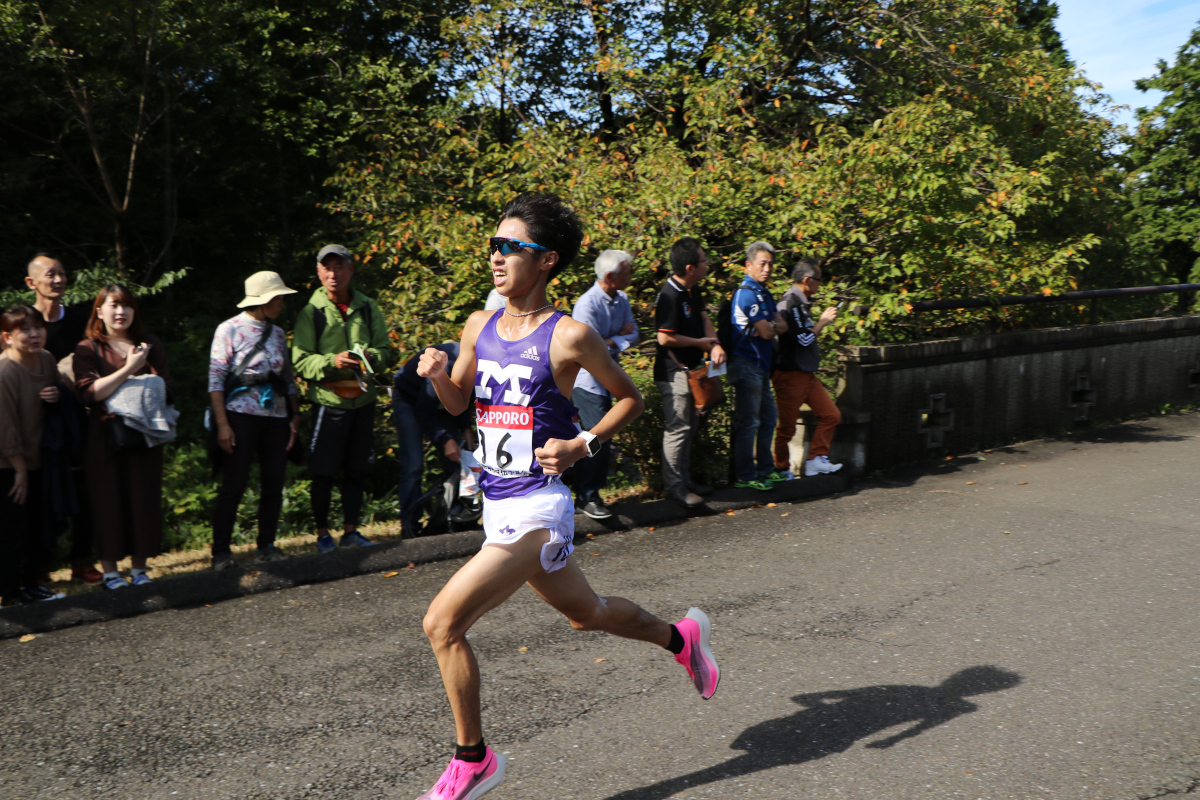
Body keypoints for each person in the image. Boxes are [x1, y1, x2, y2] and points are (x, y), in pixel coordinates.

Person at [412, 193, 720, 800]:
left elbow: (628, 397)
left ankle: (472, 760)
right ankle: (680, 637)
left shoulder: (570, 335)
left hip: (539, 511)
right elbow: (459, 406)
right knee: (590, 614)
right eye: (493, 245)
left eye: (509, 247)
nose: (495, 257)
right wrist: (437, 377)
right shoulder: (479, 325)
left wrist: (582, 443)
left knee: (442, 624)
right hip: (496, 507)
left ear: (547, 260)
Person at [73, 285, 174, 590]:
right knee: (107, 501)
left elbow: (167, 388)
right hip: (105, 436)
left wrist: (122, 386)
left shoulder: (150, 344)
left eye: (127, 306)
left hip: (144, 435)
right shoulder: (87, 348)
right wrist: (131, 369)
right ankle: (111, 573)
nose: (120, 312)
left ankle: (140, 569)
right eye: (113, 306)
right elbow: (88, 393)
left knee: (142, 499)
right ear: (99, 312)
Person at [292, 244, 391, 552]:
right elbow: (300, 361)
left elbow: (386, 352)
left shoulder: (367, 306)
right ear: (319, 272)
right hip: (328, 402)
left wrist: (366, 357)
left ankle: (351, 531)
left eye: (339, 266)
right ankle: (323, 535)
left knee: (357, 469)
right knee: (323, 470)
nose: (333, 274)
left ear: (351, 269)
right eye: (327, 268)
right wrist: (331, 362)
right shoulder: (311, 312)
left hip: (362, 399)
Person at [207, 271, 301, 570]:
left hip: (275, 418)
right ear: (263, 301)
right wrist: (222, 424)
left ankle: (267, 546)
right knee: (233, 484)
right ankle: (220, 552)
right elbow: (216, 379)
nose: (282, 303)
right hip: (240, 418)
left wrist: (294, 416)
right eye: (278, 298)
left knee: (274, 482)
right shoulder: (228, 330)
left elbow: (286, 377)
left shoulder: (276, 333)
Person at [24, 253, 102, 585]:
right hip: (34, 422)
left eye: (62, 274)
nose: (58, 280)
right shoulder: (21, 322)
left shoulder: (79, 319)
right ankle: (40, 566)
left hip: (76, 419)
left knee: (85, 490)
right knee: (41, 493)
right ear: (31, 283)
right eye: (50, 275)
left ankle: (83, 561)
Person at [0, 306, 67, 605]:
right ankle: (10, 592)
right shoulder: (4, 371)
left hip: (42, 459)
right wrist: (20, 469)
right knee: (13, 530)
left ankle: (30, 585)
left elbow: (60, 394)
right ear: (7, 337)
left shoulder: (47, 358)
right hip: (8, 465)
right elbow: (4, 426)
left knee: (40, 526)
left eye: (38, 327)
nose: (34, 334)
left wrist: (56, 394)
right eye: (24, 329)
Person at [653, 237, 726, 507]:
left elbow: (705, 319)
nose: (708, 264)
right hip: (673, 373)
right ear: (690, 267)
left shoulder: (694, 291)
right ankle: (674, 488)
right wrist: (699, 343)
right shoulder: (669, 295)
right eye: (704, 261)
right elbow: (664, 338)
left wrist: (715, 344)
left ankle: (684, 481)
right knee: (678, 428)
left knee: (691, 426)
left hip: (693, 370)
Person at [569, 249, 639, 519]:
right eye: (628, 272)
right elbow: (591, 350)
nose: (631, 277)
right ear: (610, 276)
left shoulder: (621, 299)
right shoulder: (587, 304)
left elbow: (634, 334)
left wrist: (608, 341)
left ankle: (587, 495)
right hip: (588, 381)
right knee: (597, 437)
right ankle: (587, 496)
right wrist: (613, 341)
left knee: (599, 437)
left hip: (609, 380)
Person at [393, 342, 477, 534]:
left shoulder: (485, 368)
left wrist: (466, 430)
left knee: (460, 462)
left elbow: (465, 398)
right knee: (414, 466)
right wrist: (445, 440)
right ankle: (410, 528)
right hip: (411, 397)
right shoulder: (448, 366)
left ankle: (456, 522)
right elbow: (424, 412)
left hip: (441, 401)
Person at [727, 241, 790, 490]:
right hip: (746, 364)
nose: (767, 269)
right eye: (762, 263)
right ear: (748, 265)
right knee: (749, 421)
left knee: (768, 417)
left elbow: (781, 326)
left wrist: (771, 326)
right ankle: (745, 475)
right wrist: (771, 326)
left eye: (771, 264)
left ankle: (765, 469)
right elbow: (768, 331)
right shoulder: (746, 293)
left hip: (761, 365)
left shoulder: (764, 293)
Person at [774, 257, 842, 476]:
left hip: (807, 375)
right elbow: (802, 340)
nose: (820, 284)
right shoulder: (789, 303)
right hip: (790, 375)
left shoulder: (801, 304)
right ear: (807, 280)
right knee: (786, 429)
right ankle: (781, 468)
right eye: (818, 280)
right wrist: (822, 322)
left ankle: (816, 460)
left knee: (831, 415)